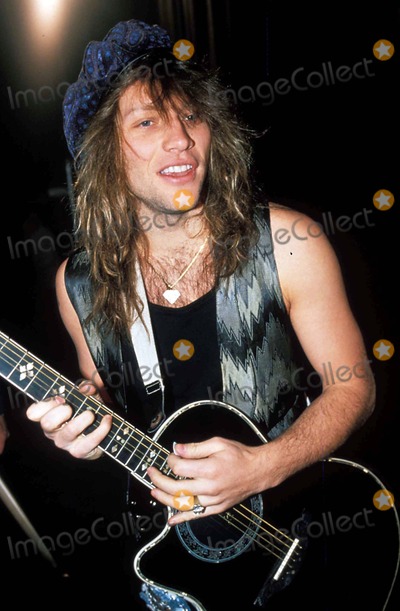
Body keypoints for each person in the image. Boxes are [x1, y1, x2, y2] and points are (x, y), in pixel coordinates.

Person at [26, 18, 375, 611]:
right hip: (174, 570)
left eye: (191, 116)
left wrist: (265, 467)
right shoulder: (78, 284)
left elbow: (356, 389)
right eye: (148, 122)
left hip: (298, 536)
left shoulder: (288, 243)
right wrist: (81, 427)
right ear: (106, 153)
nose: (181, 139)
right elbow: (103, 396)